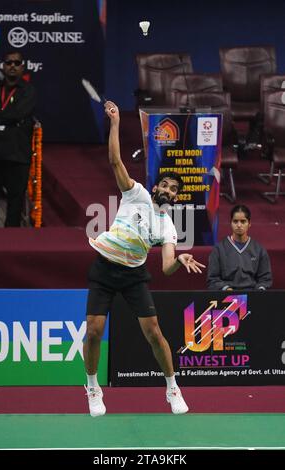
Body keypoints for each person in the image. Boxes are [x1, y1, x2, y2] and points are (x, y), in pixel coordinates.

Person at [83, 100, 205, 418]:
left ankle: (172, 388)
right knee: (94, 331)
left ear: (177, 197)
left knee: (153, 332)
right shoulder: (135, 193)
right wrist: (114, 124)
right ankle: (93, 388)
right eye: (164, 184)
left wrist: (180, 259)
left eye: (174, 188)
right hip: (105, 267)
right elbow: (114, 161)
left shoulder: (167, 226)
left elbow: (165, 267)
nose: (168, 188)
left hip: (135, 275)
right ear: (155, 187)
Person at [0, 50, 37, 227]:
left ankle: (10, 243)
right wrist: (10, 118)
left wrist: (0, 115)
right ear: (3, 66)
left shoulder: (29, 91)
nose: (12, 65)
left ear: (22, 67)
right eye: (8, 62)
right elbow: (13, 116)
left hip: (18, 155)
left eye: (17, 63)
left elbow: (19, 113)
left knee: (15, 202)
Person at [207, 204, 272, 291]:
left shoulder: (259, 250)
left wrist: (260, 290)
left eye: (243, 221)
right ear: (231, 223)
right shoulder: (218, 249)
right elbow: (212, 279)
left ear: (249, 223)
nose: (239, 225)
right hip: (227, 296)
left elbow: (265, 279)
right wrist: (227, 289)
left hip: (252, 295)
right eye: (235, 221)